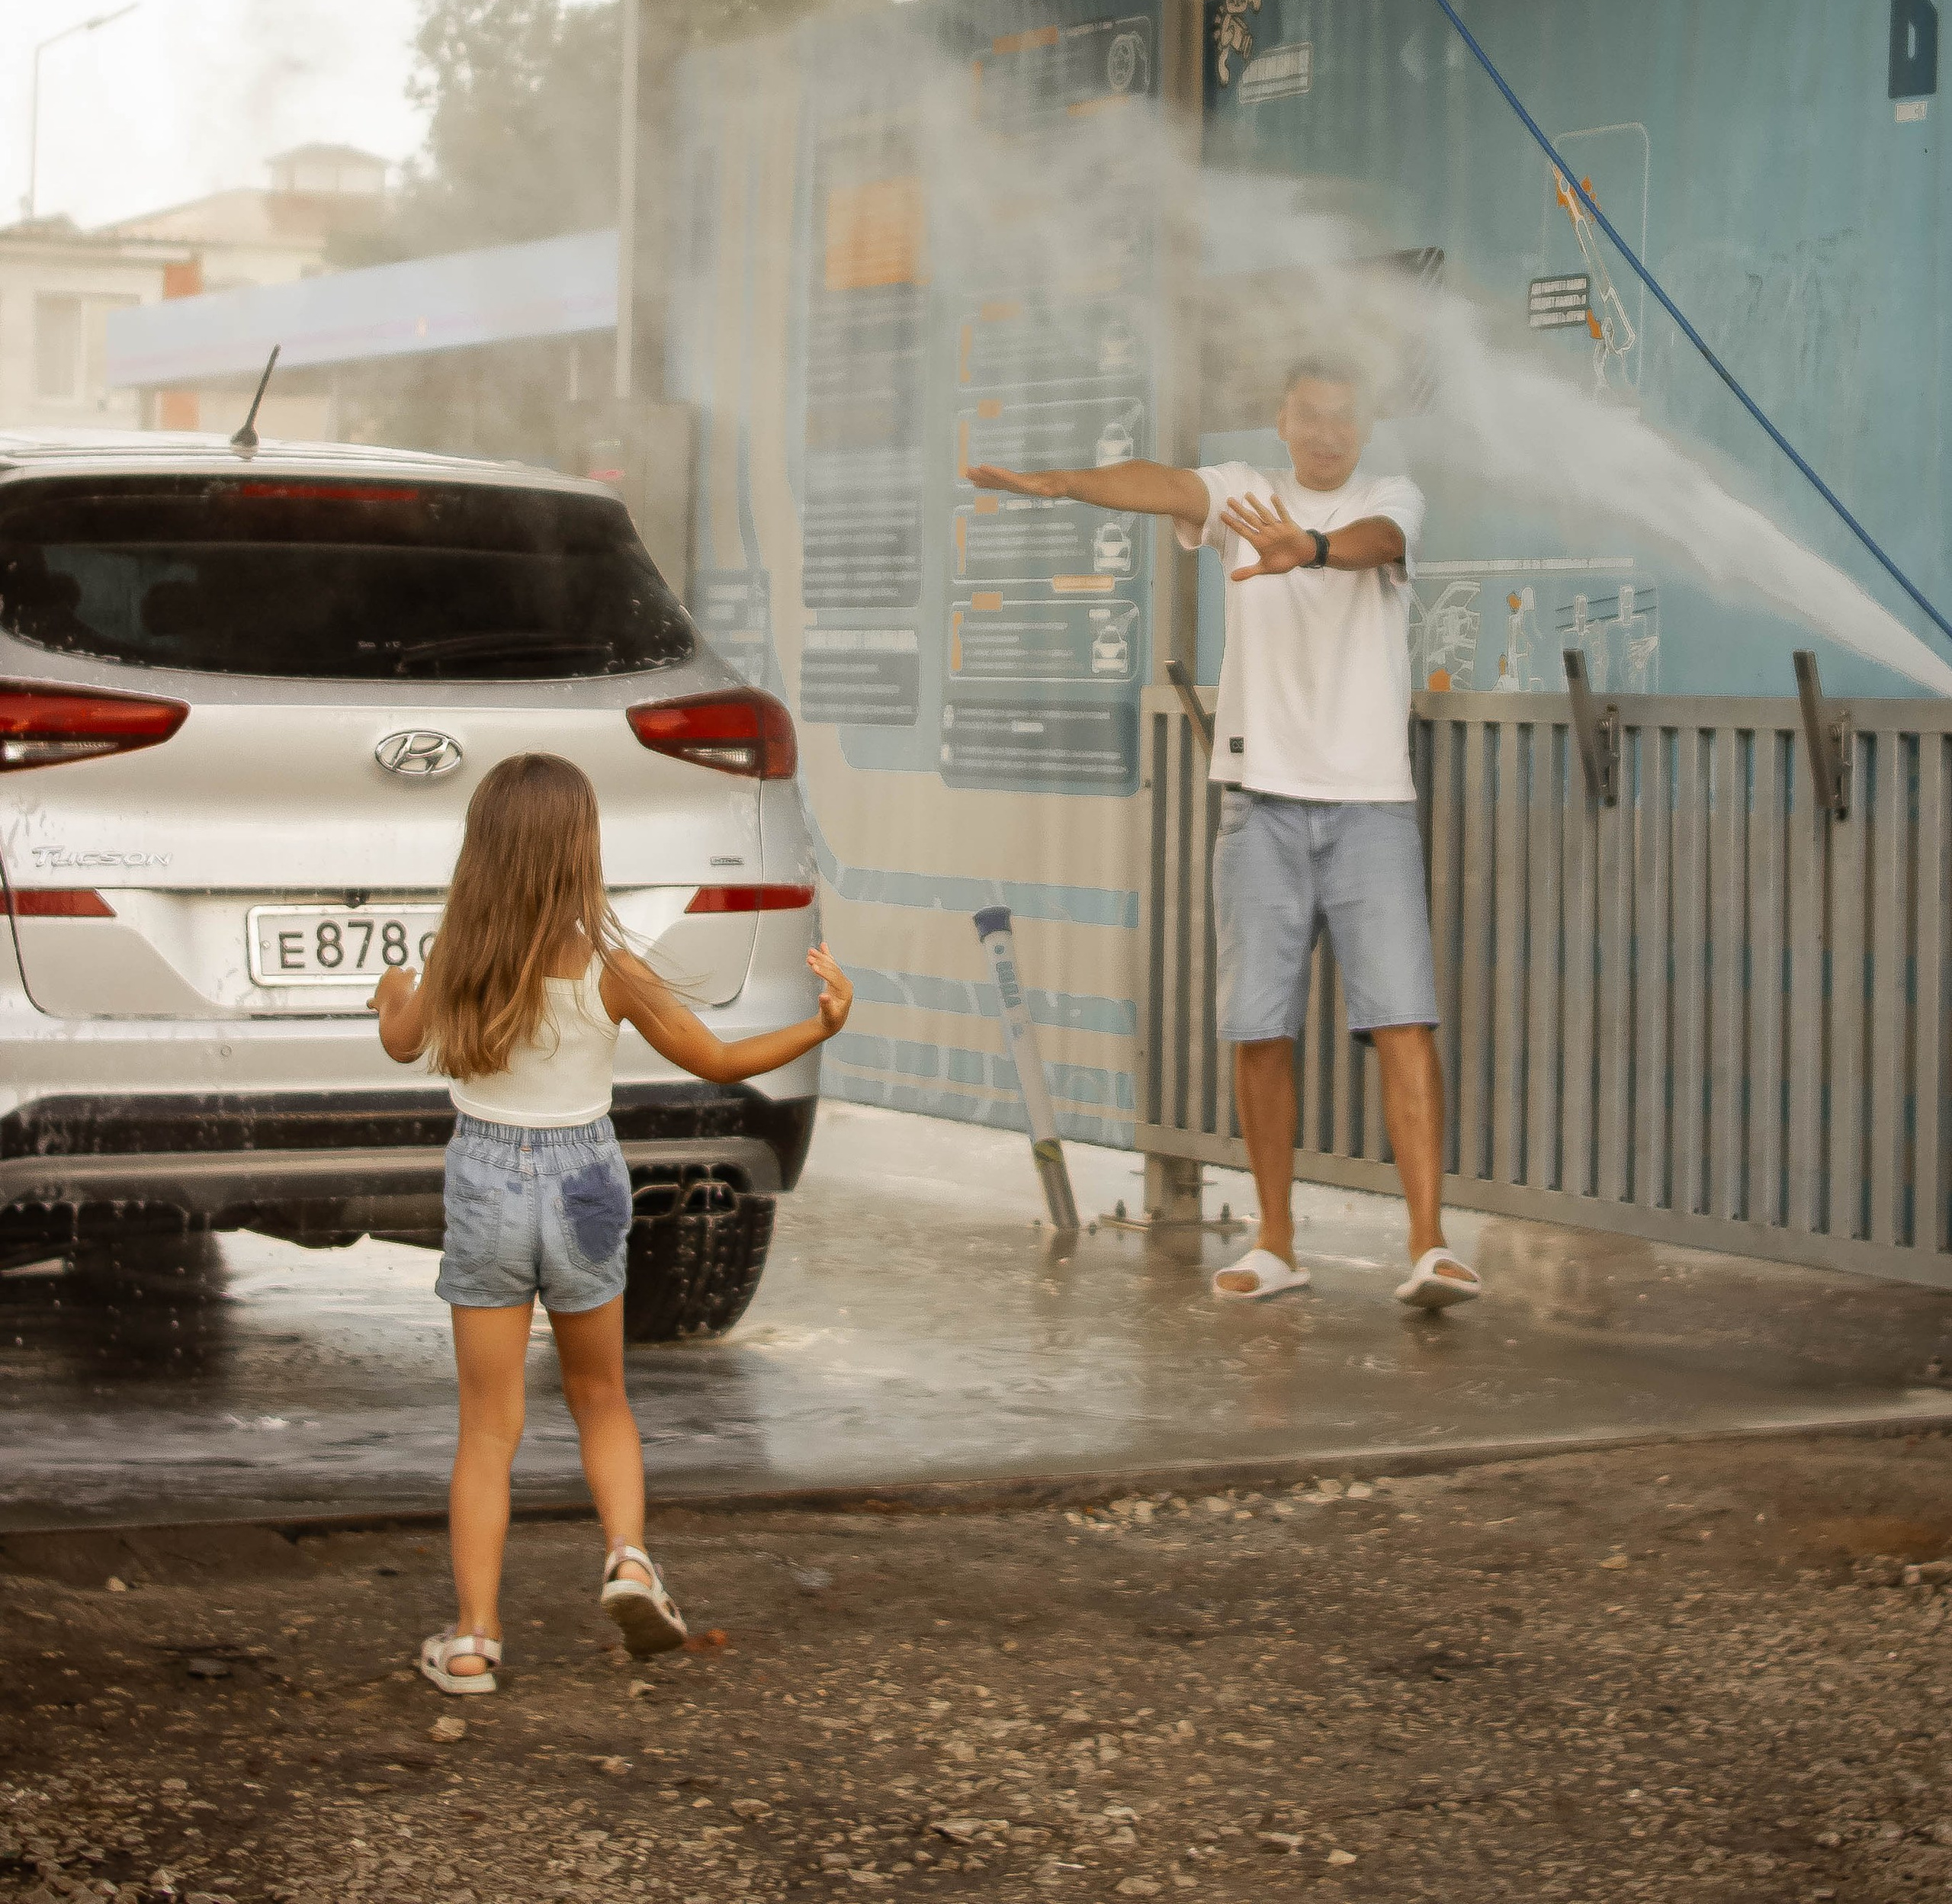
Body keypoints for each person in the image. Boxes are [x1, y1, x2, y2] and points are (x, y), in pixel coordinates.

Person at [969, 355, 1478, 1313]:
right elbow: (1160, 482)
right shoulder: (1243, 492)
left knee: (1404, 1019)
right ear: (1280, 423)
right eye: (1309, 417)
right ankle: (1276, 1243)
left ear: (1363, 429)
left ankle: (1431, 1246)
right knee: (1257, 1025)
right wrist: (1064, 485)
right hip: (1258, 803)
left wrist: (1311, 551)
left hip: (1371, 803)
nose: (1326, 434)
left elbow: (1375, 542)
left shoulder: (1390, 496)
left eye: (1343, 418)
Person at [371, 750, 852, 1694]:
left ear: (483, 854)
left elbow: (401, 1038)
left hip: (487, 1180)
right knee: (600, 1395)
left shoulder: (455, 958)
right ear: (580, 854)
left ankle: (473, 1640)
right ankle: (629, 1557)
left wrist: (394, 985)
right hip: (587, 1178)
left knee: (487, 1427)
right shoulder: (610, 969)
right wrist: (818, 1026)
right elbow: (716, 1059)